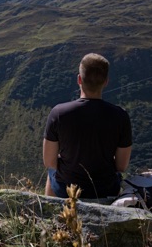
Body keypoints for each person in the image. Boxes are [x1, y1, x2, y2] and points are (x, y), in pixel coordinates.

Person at [43, 53, 132, 199]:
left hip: (67, 189)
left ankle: (50, 212)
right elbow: (121, 166)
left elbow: (49, 162)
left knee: (52, 173)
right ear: (106, 82)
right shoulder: (120, 115)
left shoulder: (59, 113)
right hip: (106, 189)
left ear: (79, 79)